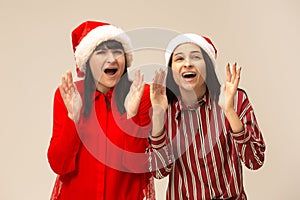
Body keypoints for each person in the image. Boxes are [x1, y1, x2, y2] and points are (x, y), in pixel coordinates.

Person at [148, 33, 266, 199]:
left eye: (196, 57)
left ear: (208, 66)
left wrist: (230, 112)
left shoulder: (236, 100)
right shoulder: (163, 108)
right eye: (179, 59)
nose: (188, 64)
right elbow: (159, 172)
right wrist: (159, 117)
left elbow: (255, 160)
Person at [47, 20, 154, 200]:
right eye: (101, 52)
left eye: (117, 52)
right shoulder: (68, 95)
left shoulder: (142, 94)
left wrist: (131, 116)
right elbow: (59, 165)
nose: (111, 59)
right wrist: (73, 118)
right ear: (87, 61)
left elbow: (138, 166)